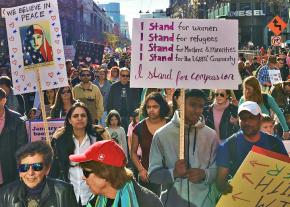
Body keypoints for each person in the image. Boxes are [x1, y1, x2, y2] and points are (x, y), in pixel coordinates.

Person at [148, 89, 219, 207]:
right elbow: (153, 175)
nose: (197, 110)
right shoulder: (162, 135)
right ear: (181, 103)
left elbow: (218, 172)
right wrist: (173, 173)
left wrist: (204, 175)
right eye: (192, 105)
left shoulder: (211, 135)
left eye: (200, 106)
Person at [216, 101, 288, 194]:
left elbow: (286, 174)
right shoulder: (227, 146)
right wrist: (226, 187)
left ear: (260, 118)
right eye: (243, 118)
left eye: (251, 117)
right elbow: (220, 182)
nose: (247, 122)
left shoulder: (275, 143)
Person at [69, 140, 163, 207]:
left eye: (86, 172)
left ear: (104, 174)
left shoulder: (148, 202)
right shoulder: (95, 201)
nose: (83, 177)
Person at [49, 102, 110, 206]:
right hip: (69, 197)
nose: (79, 118)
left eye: (83, 115)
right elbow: (55, 168)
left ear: (87, 118)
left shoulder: (97, 139)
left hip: (94, 196)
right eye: (75, 116)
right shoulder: (61, 141)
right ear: (69, 120)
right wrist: (53, 140)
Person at [0, 141, 78, 206]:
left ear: (47, 169)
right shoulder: (5, 194)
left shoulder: (64, 191)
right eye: (24, 167)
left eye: (37, 167)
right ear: (20, 171)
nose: (30, 173)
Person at [131, 92, 169, 195]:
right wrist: (141, 170)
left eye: (155, 106)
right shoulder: (138, 128)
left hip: (168, 176)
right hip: (146, 177)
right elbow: (133, 153)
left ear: (162, 107)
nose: (151, 110)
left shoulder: (171, 125)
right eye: (148, 107)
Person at [0, 88, 28, 186]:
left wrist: (20, 173)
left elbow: (22, 149)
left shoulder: (17, 120)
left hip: (10, 175)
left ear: (3, 100)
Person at [107, 67, 140, 132]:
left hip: (130, 116)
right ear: (119, 76)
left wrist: (133, 115)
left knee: (129, 135)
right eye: (123, 75)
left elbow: (137, 102)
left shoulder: (133, 86)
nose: (125, 77)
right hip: (117, 116)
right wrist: (111, 116)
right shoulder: (114, 86)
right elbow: (110, 102)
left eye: (127, 75)